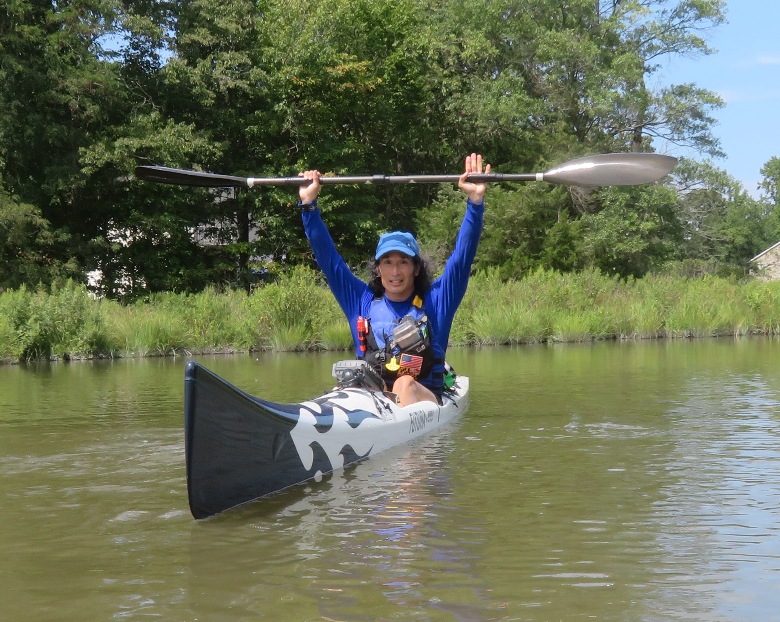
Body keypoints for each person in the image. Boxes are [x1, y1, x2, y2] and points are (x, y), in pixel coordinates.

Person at [298, 153, 490, 406]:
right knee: (346, 383)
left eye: (403, 262)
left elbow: (461, 259)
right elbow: (329, 260)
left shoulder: (436, 301)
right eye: (387, 263)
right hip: (373, 397)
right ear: (378, 269)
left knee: (404, 384)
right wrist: (309, 206)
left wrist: (475, 203)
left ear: (416, 268)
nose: (395, 272)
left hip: (422, 396)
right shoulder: (362, 301)